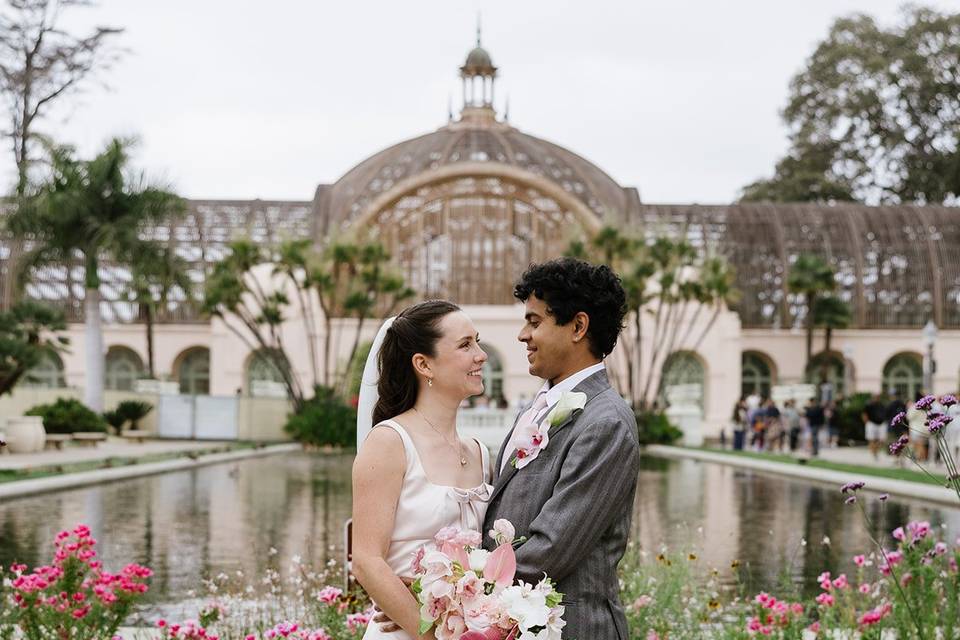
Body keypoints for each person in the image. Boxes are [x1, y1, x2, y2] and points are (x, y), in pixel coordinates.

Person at [482, 257, 640, 640]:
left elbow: (552, 549)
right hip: (516, 622)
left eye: (534, 321)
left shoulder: (607, 422)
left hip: (573, 628)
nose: (523, 335)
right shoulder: (537, 407)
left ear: (578, 326)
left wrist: (466, 585)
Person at [351, 300, 492, 640]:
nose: (481, 354)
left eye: (477, 340)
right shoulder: (389, 442)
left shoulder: (480, 453)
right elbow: (367, 560)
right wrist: (433, 633)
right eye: (465, 344)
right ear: (423, 364)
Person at [862, 393, 888, 460]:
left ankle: (875, 450)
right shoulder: (869, 404)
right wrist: (866, 423)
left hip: (881, 424)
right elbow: (864, 414)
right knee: (872, 439)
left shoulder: (881, 405)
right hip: (871, 423)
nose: (876, 398)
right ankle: (873, 453)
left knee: (882, 440)